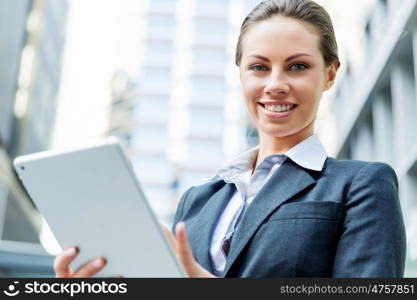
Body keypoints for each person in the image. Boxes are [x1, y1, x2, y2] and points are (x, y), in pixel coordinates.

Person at [54, 0, 406, 278]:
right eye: (259, 67)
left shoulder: (361, 184)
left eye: (298, 66)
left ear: (330, 74)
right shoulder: (198, 201)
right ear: (240, 73)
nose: (275, 84)